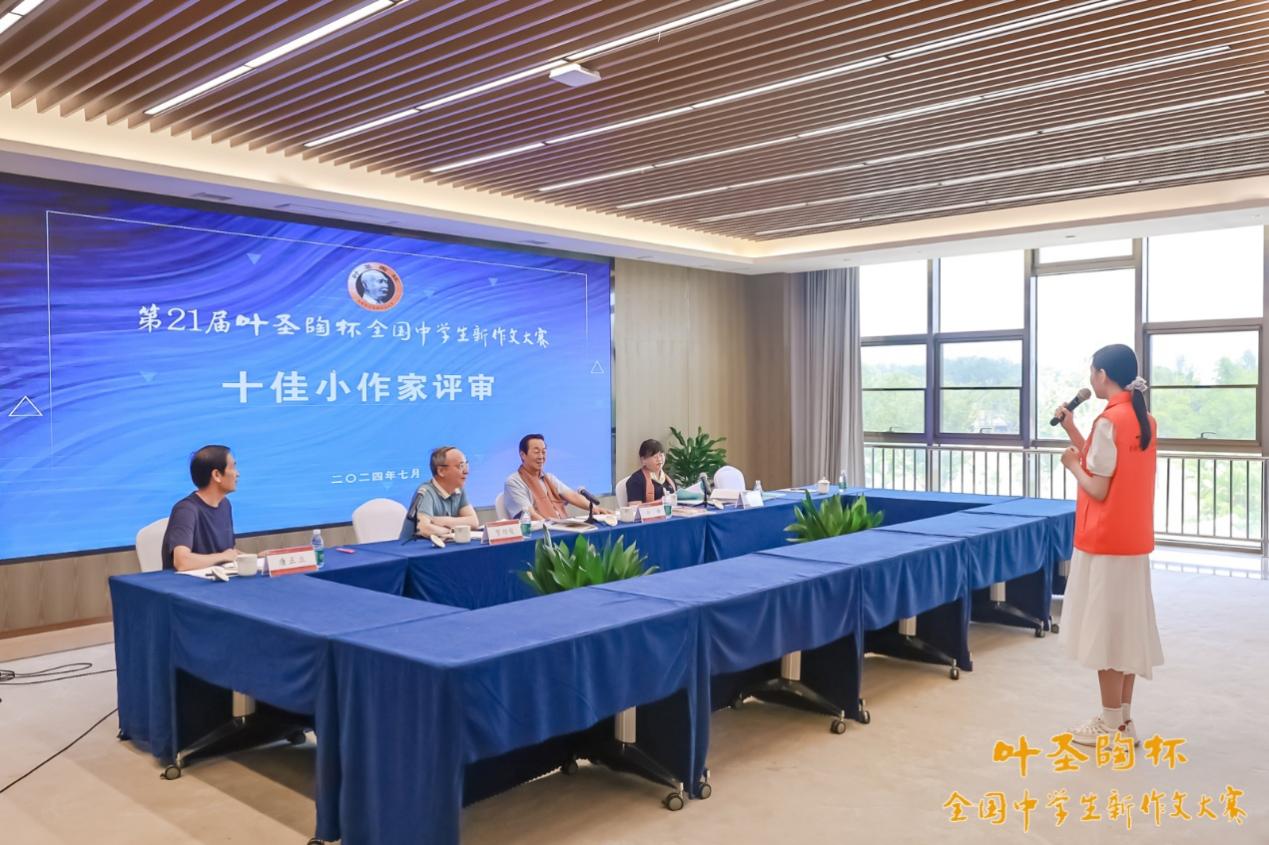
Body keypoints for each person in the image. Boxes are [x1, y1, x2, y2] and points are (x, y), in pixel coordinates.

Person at [1056, 343, 1164, 747]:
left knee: (1106, 633)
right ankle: (1123, 721)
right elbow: (1106, 464)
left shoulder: (1109, 420)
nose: (1090, 379)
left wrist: (1070, 465)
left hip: (1105, 542)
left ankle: (1108, 723)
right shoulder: (1143, 419)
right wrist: (1072, 430)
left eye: (1092, 372)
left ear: (1102, 375)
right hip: (1132, 541)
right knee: (1126, 630)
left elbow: (1098, 486)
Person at [161, 445, 241, 571]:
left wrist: (258, 557)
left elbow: (228, 554)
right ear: (216, 475)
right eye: (233, 468)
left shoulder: (225, 505)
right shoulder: (186, 510)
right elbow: (182, 562)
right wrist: (224, 556)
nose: (237, 474)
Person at [504, 433, 610, 520]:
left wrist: (595, 509)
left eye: (543, 452)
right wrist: (550, 529)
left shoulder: (548, 478)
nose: (541, 456)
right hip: (540, 534)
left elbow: (572, 496)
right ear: (523, 455)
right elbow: (529, 514)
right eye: (536, 452)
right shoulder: (514, 482)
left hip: (559, 528)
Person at [399, 445, 479, 540]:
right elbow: (424, 529)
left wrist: (442, 521)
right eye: (460, 466)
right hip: (414, 547)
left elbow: (473, 522)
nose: (466, 471)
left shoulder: (458, 489)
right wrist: (451, 531)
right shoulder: (426, 491)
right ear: (441, 471)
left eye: (466, 465)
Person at [624, 438, 677, 504]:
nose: (659, 459)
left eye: (661, 455)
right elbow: (634, 507)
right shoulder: (635, 480)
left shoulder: (670, 479)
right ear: (643, 460)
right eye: (655, 456)